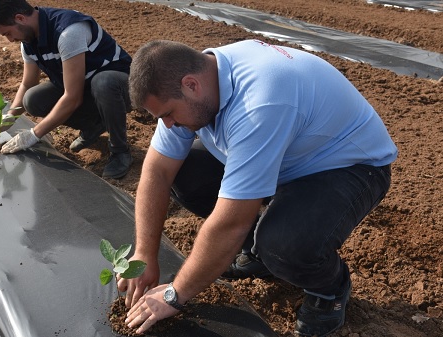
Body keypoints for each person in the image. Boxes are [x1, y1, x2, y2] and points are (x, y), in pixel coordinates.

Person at [118, 39, 397, 337]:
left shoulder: (259, 103)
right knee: (185, 175)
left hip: (349, 166)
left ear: (191, 85)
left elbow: (231, 223)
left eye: (169, 114)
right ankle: (259, 256)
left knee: (282, 244)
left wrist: (174, 294)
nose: (169, 125)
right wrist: (145, 254)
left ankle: (329, 290)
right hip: (288, 156)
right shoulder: (196, 80)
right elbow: (158, 171)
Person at [0, 0, 133, 179]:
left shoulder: (68, 32)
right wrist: (11, 116)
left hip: (122, 89)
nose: (10, 40)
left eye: (8, 33)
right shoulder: (28, 41)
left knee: (103, 82)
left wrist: (33, 134)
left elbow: (72, 97)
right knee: (33, 100)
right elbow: (28, 83)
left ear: (20, 18)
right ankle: (93, 125)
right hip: (85, 88)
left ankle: (120, 151)